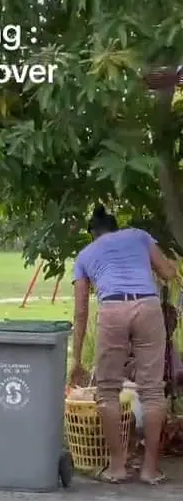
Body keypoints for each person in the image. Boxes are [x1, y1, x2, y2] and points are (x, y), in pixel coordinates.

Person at [70, 204, 179, 484]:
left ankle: (117, 467)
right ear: (116, 227)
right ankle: (150, 470)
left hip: (113, 308)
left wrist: (77, 360)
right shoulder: (139, 236)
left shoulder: (85, 255)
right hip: (147, 306)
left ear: (93, 233)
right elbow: (167, 272)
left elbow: (80, 311)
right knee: (152, 391)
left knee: (107, 391)